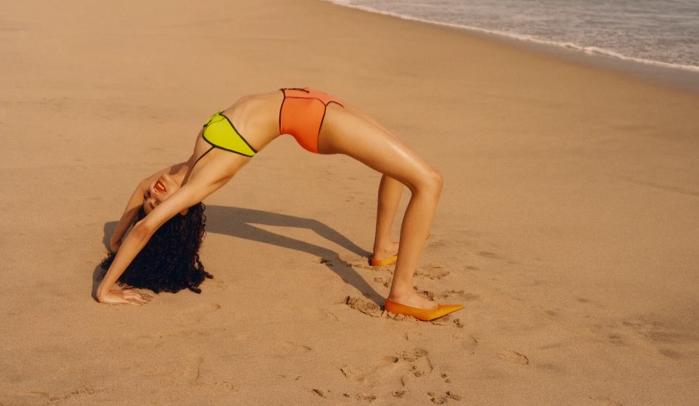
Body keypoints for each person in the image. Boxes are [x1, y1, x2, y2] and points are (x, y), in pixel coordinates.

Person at [96, 88, 464, 321]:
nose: (151, 192)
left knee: (397, 162)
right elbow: (146, 228)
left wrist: (116, 240)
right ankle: (401, 293)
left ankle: (383, 248)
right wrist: (106, 288)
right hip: (319, 123)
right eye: (155, 202)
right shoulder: (202, 180)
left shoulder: (183, 168)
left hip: (316, 101)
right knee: (430, 180)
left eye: (148, 197)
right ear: (180, 210)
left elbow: (141, 187)